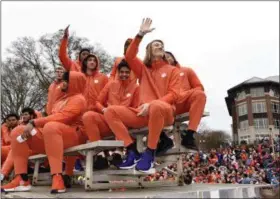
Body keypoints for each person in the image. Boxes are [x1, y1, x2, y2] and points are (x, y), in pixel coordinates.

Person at [103, 18, 181, 172]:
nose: (160, 46)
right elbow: (130, 56)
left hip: (165, 112)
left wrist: (151, 104)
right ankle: (132, 150)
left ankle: (150, 152)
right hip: (144, 113)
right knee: (110, 111)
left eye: (161, 45)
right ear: (149, 51)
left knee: (157, 105)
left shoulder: (173, 70)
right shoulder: (143, 70)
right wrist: (140, 35)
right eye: (155, 44)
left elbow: (174, 94)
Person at [1, 71, 87, 194]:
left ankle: (57, 177)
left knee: (51, 127)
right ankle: (21, 179)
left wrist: (34, 122)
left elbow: (64, 117)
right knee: (18, 131)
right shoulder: (59, 100)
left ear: (73, 83)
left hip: (73, 136)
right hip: (52, 136)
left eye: (65, 81)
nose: (62, 84)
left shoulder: (79, 99)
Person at [82, 60, 139, 169]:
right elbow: (97, 102)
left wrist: (122, 111)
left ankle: (119, 152)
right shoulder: (111, 84)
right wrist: (104, 110)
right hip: (107, 119)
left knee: (117, 114)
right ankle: (99, 154)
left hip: (124, 122)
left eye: (127, 72)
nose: (124, 74)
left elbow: (135, 109)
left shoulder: (136, 87)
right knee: (88, 116)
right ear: (118, 72)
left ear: (131, 73)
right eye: (121, 72)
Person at [156, 51, 206, 154]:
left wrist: (183, 94)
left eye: (168, 57)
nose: (166, 59)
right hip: (168, 105)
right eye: (163, 58)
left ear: (174, 58)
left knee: (200, 95)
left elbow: (199, 87)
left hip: (184, 101)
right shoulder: (159, 76)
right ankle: (163, 139)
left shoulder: (187, 70)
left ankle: (189, 135)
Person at [1, 113, 19, 181]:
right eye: (9, 120)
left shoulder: (20, 127)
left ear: (17, 120)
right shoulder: (5, 127)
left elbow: (9, 140)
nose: (11, 122)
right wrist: (5, 128)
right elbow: (7, 140)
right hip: (6, 150)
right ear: (7, 121)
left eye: (13, 120)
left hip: (15, 150)